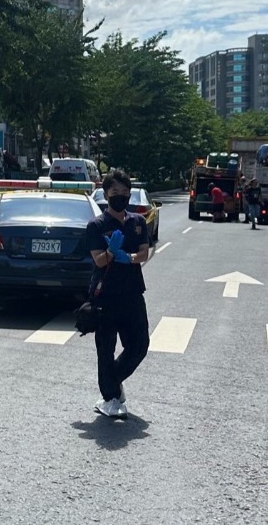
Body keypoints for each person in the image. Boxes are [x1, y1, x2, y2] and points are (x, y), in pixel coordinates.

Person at [86, 170, 152, 419]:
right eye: (115, 192)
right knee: (106, 348)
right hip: (106, 295)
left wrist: (130, 258)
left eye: (125, 192)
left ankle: (112, 381)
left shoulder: (138, 222)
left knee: (139, 345)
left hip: (133, 292)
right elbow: (99, 261)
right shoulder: (96, 226)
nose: (120, 197)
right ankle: (111, 398)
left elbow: (144, 252)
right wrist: (112, 252)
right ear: (106, 195)